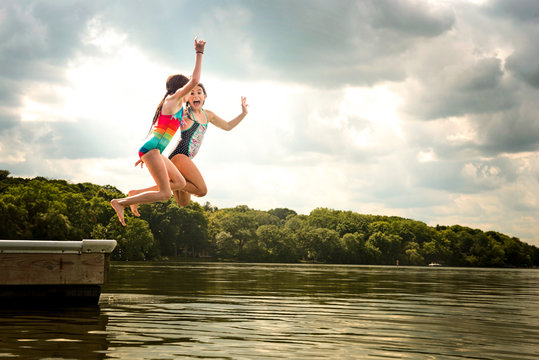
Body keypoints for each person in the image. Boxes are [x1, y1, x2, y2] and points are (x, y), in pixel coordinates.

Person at [110, 37, 206, 226]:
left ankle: (135, 194)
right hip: (152, 150)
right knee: (165, 194)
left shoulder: (175, 105)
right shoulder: (174, 99)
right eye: (189, 89)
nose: (192, 92)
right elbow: (195, 79)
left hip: (153, 150)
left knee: (178, 182)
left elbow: (156, 130)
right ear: (181, 89)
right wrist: (199, 52)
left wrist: (145, 155)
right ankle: (120, 202)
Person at [128, 83, 248, 212]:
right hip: (179, 156)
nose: (195, 95)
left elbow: (228, 126)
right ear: (186, 97)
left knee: (183, 202)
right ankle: (139, 194)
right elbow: (163, 129)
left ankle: (143, 191)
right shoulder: (184, 114)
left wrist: (243, 113)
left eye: (199, 92)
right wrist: (150, 152)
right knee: (201, 190)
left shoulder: (209, 115)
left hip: (186, 159)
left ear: (205, 96)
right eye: (191, 93)